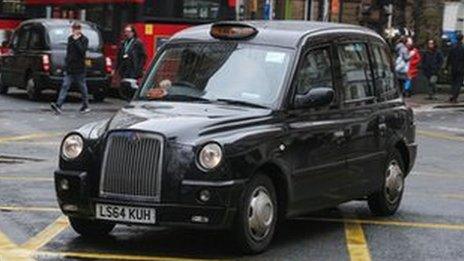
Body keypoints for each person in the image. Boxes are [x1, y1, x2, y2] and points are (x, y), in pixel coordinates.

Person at [51, 22, 90, 114]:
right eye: (74, 29)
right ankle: (58, 105)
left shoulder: (84, 39)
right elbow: (69, 52)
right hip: (70, 67)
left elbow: (82, 51)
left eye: (77, 29)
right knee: (65, 85)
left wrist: (76, 40)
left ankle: (85, 105)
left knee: (82, 87)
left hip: (79, 67)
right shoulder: (70, 39)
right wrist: (66, 64)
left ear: (80, 30)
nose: (74, 31)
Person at [447, 34, 464, 103]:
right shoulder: (463, 48)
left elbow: (449, 58)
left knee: (453, 82)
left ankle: (452, 95)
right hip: (461, 68)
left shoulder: (452, 47)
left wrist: (447, 66)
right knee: (458, 83)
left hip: (453, 67)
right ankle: (455, 97)